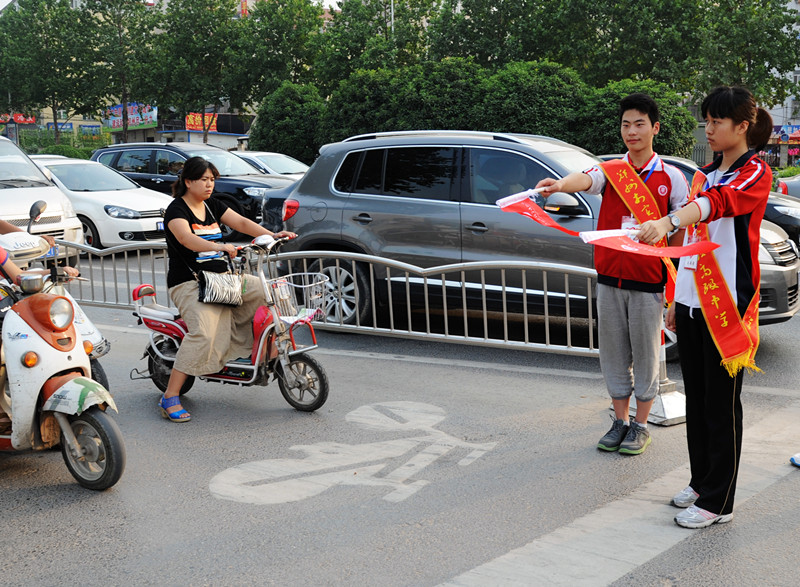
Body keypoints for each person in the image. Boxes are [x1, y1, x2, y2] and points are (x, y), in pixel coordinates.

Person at [638, 86, 773, 529]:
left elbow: (719, 205)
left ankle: (720, 500)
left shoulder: (753, 172)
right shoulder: (705, 173)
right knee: (697, 401)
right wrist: (677, 299)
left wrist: (669, 219)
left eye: (717, 122)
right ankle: (701, 482)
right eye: (708, 120)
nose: (709, 129)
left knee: (721, 406)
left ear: (742, 126)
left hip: (727, 306)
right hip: (693, 300)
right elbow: (691, 244)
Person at [535, 93, 689, 455]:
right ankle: (620, 421)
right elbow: (584, 179)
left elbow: (680, 231)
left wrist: (677, 283)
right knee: (613, 354)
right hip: (609, 279)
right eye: (625, 124)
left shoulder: (672, 177)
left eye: (639, 124)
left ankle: (641, 425)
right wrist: (559, 185)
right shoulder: (611, 171)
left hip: (648, 281)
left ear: (655, 128)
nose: (632, 131)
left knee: (647, 355)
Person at [159, 156, 295, 422]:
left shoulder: (212, 205)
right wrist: (219, 246)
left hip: (222, 279)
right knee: (204, 334)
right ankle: (170, 395)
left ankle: (261, 352)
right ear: (188, 181)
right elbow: (186, 239)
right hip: (190, 283)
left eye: (212, 179)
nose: (209, 185)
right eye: (204, 179)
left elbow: (241, 223)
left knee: (266, 292)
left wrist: (270, 235)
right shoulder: (177, 210)